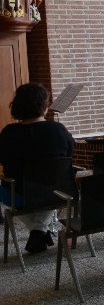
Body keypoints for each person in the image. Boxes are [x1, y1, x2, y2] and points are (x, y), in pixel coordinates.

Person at [0, 83, 75, 253]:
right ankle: (40, 231)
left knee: (13, 193)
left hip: (19, 195)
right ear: (44, 106)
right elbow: (68, 156)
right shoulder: (59, 130)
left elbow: (3, 159)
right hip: (55, 191)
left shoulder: (8, 133)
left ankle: (38, 231)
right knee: (49, 189)